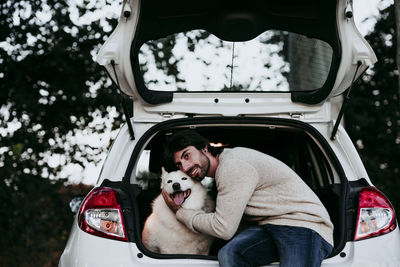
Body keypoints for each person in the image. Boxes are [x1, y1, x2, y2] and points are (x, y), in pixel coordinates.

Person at [162, 129, 333, 267]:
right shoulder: (228, 166)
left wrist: (180, 212)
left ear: (205, 148)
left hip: (303, 225)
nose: (185, 167)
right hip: (271, 227)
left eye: (187, 156)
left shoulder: (232, 166)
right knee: (230, 254)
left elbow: (223, 228)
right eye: (179, 164)